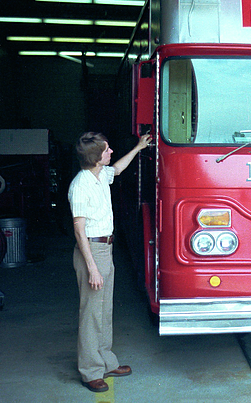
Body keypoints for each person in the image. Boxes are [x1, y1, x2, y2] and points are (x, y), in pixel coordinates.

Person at [68, 132, 152, 392]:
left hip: (106, 248)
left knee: (104, 312)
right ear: (95, 157)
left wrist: (138, 148)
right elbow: (79, 230)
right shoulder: (81, 185)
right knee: (92, 313)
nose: (111, 151)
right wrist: (92, 267)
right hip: (91, 250)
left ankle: (106, 362)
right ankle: (90, 371)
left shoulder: (99, 175)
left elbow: (116, 169)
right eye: (106, 150)